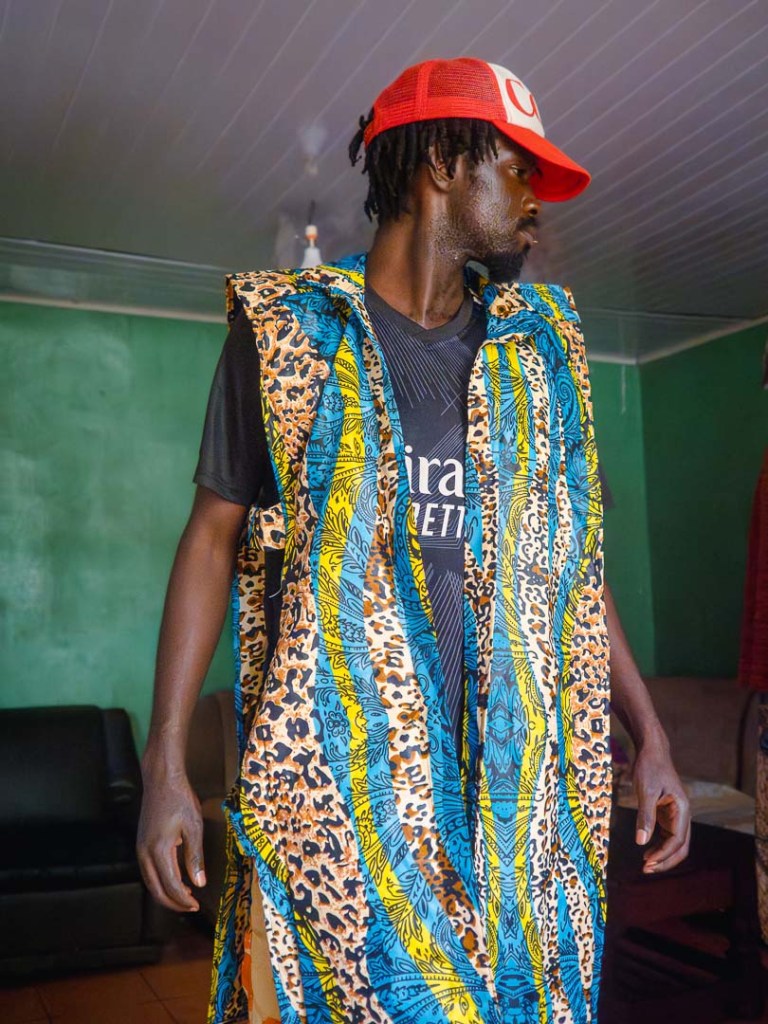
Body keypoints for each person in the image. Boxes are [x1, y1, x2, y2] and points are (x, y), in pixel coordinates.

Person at [138, 57, 690, 1024]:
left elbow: (573, 569)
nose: (534, 202)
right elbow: (210, 541)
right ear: (442, 162)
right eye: (516, 170)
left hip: (520, 798)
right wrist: (166, 764)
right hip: (351, 792)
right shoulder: (289, 337)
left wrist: (651, 738)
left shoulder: (540, 353)